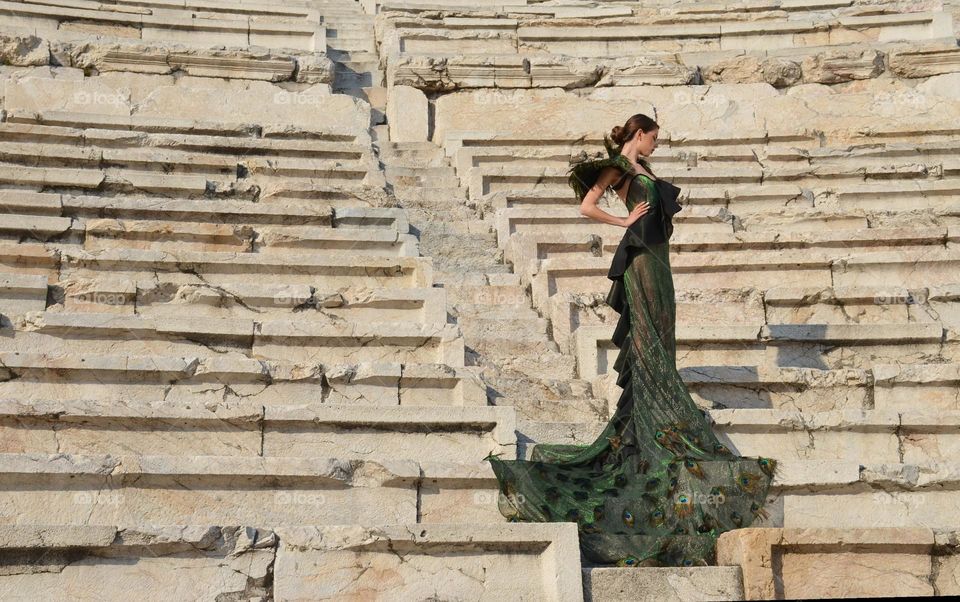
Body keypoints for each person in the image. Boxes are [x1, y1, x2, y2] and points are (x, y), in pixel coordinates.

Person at [483, 113, 778, 567]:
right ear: (640, 134)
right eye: (655, 138)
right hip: (639, 259)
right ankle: (654, 430)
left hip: (658, 262)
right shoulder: (619, 165)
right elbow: (587, 206)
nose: (657, 146)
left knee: (661, 336)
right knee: (648, 342)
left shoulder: (645, 169)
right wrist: (623, 223)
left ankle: (649, 428)